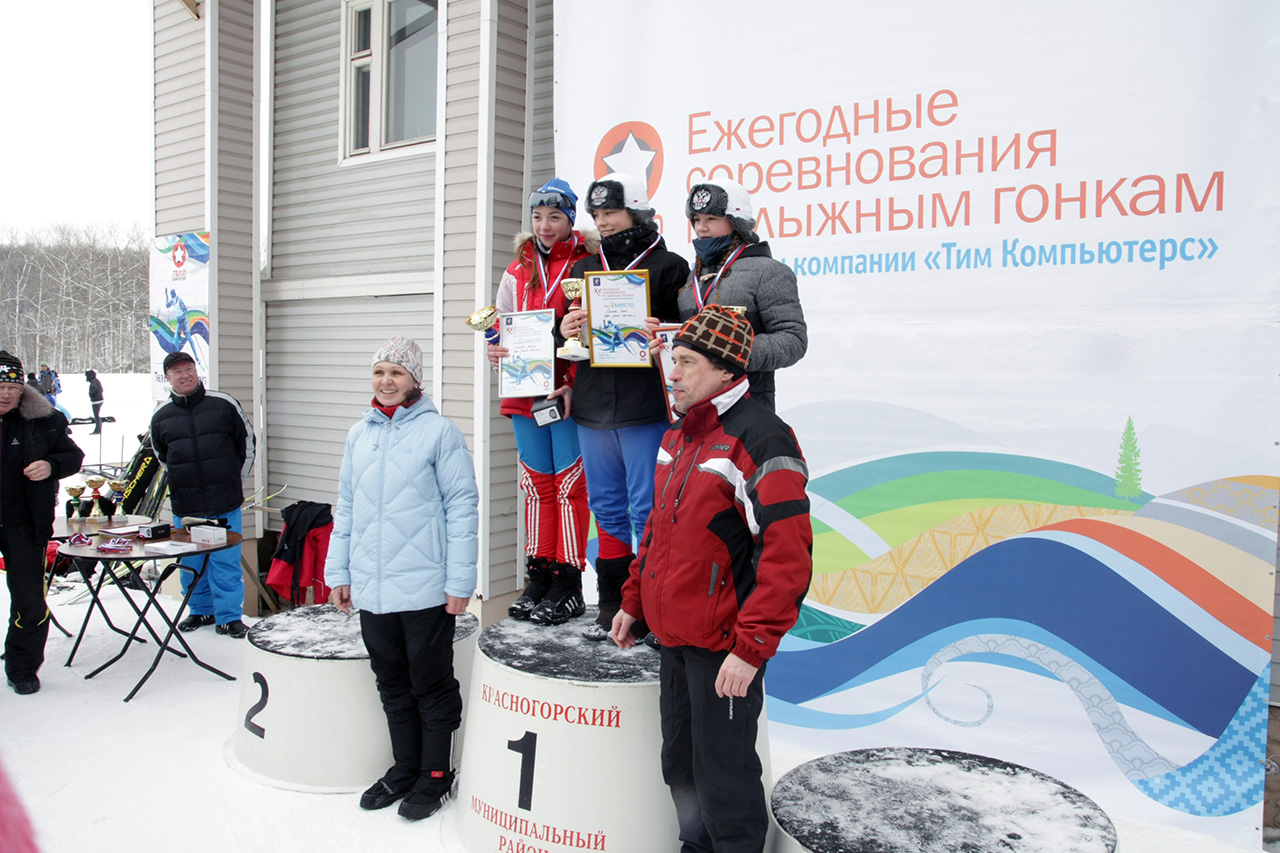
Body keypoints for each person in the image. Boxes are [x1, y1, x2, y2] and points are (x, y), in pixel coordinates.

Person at [610, 306, 812, 852]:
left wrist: (751, 649)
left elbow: (788, 557)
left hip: (725, 649)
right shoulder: (678, 435)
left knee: (725, 778)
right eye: (672, 360)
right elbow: (657, 529)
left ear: (726, 370)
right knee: (680, 763)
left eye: (686, 362)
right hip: (674, 638)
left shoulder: (762, 438)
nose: (672, 373)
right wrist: (634, 601)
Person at [326, 336, 478, 821]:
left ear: (415, 379)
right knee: (390, 682)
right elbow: (346, 506)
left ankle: (435, 773)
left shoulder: (440, 433)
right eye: (379, 372)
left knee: (430, 684)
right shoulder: (359, 435)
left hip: (425, 588)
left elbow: (462, 508)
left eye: (396, 372)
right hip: (372, 588)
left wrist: (460, 582)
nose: (386, 381)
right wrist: (339, 571)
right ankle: (405, 766)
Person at [559, 172, 690, 638]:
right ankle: (612, 602)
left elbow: (689, 333)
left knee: (647, 509)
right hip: (593, 405)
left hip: (644, 406)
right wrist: (565, 329)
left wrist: (666, 331)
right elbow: (565, 337)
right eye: (596, 214)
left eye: (611, 212)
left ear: (636, 211)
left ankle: (650, 608)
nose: (603, 221)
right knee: (606, 507)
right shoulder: (582, 269)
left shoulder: (670, 266)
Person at [487, 179, 596, 624]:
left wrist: (574, 381)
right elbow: (502, 323)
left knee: (569, 485)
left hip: (566, 391)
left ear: (570, 219)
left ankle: (568, 582)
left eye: (554, 217)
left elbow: (594, 332)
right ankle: (540, 574)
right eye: (537, 217)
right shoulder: (518, 269)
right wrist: (496, 348)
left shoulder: (586, 263)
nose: (545, 226)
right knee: (536, 484)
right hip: (525, 390)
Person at [150, 351, 255, 638]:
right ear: (168, 378)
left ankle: (229, 617)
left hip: (225, 502)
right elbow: (162, 456)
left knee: (225, 563)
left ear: (197, 371)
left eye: (189, 369)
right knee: (191, 563)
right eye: (177, 372)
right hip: (187, 507)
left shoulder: (223, 404)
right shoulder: (161, 416)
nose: (184, 375)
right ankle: (200, 610)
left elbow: (247, 443)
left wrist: (234, 481)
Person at [679, 179, 807, 412]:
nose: (701, 228)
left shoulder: (768, 271)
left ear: (736, 222)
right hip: (697, 405)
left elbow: (793, 340)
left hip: (747, 404)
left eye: (711, 219)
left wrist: (734, 351)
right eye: (696, 219)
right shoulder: (694, 276)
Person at [0, 351, 84, 695]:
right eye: (0, 387)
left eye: (12, 387)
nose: (6, 394)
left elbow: (73, 456)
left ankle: (22, 667)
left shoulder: (44, 418)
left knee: (30, 602)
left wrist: (51, 465)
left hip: (25, 524)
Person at [85, 369, 104, 434]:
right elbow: (102, 390)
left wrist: (91, 394)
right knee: (97, 415)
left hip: (96, 401)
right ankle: (98, 429)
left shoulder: (93, 382)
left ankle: (97, 430)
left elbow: (94, 388)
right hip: (100, 399)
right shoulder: (96, 381)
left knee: (96, 416)